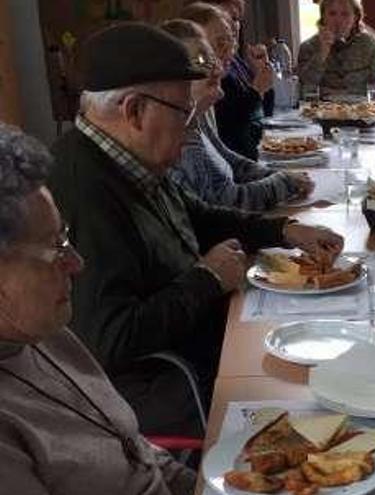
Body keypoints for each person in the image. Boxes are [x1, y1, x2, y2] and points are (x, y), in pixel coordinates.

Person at [47, 23, 344, 435]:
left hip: (203, 342)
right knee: (319, 404)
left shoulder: (127, 156)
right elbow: (111, 340)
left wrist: (286, 232)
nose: (191, 129)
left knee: (327, 343)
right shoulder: (82, 191)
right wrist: (206, 280)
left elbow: (201, 215)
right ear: (134, 111)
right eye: (183, 113)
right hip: (162, 385)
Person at [0, 123, 195, 494]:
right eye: (54, 249)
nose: (76, 262)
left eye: (65, 237)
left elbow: (133, 448)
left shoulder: (48, 331)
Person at [162, 18, 314, 211]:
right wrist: (283, 182)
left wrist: (278, 175)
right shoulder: (176, 137)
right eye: (203, 60)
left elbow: (230, 158)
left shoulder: (195, 117)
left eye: (231, 40)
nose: (217, 67)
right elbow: (224, 202)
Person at [201, 0, 275, 160]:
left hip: (254, 155)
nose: (234, 26)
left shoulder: (236, 61)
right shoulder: (209, 73)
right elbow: (231, 131)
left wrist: (260, 74)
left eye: (236, 19)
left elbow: (266, 112)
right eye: (227, 18)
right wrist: (257, 90)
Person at [296, 0, 375, 97]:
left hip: (361, 109)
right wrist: (321, 54)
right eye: (332, 14)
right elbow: (301, 90)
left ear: (355, 19)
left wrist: (346, 94)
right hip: (321, 110)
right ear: (323, 18)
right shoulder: (308, 47)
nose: (338, 20)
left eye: (345, 14)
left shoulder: (368, 44)